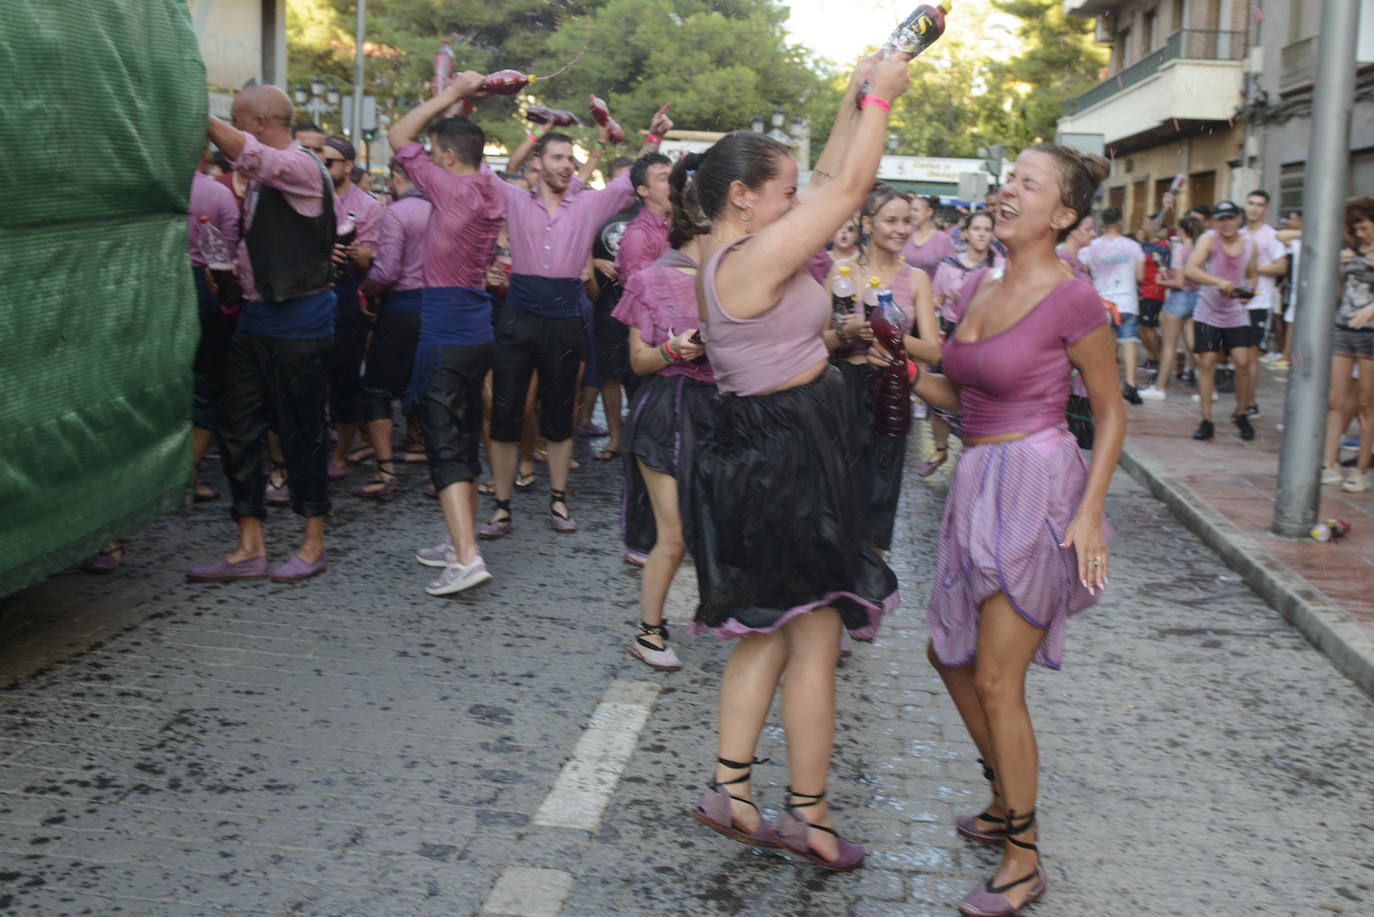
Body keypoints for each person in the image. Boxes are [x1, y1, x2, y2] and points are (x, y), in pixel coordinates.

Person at [872, 144, 1124, 916]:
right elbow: (961, 386)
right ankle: (1002, 798)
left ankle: (1023, 854)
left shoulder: (1073, 299)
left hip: (1037, 485)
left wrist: (1088, 513)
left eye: (1028, 183)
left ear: (1065, 214)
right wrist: (898, 362)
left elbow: (1112, 411)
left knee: (993, 676)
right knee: (948, 654)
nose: (1008, 190)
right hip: (975, 479)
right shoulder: (979, 281)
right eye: (1009, 177)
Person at [684, 54, 906, 873]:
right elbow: (845, 193)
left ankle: (735, 790)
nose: (795, 202)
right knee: (810, 638)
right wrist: (884, 98)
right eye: (779, 193)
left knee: (774, 634)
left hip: (779, 445)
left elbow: (821, 178)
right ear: (743, 197)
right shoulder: (750, 260)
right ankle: (802, 813)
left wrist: (855, 95)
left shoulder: (746, 248)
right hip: (785, 458)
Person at [479, 106, 673, 538]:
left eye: (571, 159)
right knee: (507, 415)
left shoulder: (588, 204)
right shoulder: (513, 198)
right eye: (557, 158)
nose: (566, 165)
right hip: (517, 318)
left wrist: (653, 136)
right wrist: (531, 130)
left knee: (560, 418)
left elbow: (630, 181)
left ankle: (559, 502)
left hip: (565, 319)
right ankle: (502, 507)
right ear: (539, 164)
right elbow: (476, 167)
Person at [190, 84, 341, 584]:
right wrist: (231, 273)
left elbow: (251, 157)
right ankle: (249, 546)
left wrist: (200, 114)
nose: (230, 130)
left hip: (300, 319)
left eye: (236, 121)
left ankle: (311, 543)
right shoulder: (257, 177)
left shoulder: (299, 165)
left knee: (302, 432)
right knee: (237, 430)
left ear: (255, 124)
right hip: (257, 316)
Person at [387, 73, 506, 595]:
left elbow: (398, 135)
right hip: (476, 329)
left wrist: (452, 93)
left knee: (443, 443)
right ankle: (459, 540)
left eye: (435, 157)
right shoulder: (490, 187)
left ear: (449, 159)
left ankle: (467, 556)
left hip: (445, 331)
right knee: (461, 435)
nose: (428, 164)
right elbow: (455, 144)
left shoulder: (450, 186)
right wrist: (464, 108)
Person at [613, 155, 712, 670]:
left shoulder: (736, 280)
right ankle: (649, 632)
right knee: (671, 533)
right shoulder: (651, 279)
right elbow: (637, 360)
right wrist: (677, 349)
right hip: (664, 413)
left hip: (720, 414)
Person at [822, 184, 935, 550]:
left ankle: (869, 591)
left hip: (890, 391)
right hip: (841, 392)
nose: (901, 229)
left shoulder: (917, 279)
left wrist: (892, 336)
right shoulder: (840, 272)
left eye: (907, 221)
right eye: (892, 221)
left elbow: (934, 352)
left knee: (880, 497)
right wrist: (845, 333)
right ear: (868, 223)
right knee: (836, 495)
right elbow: (815, 343)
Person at [352, 158, 431, 499]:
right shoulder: (447, 210)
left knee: (377, 391)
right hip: (440, 307)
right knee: (432, 388)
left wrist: (362, 291)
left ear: (396, 177)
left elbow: (385, 273)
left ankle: (385, 473)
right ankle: (442, 473)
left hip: (402, 308)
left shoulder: (399, 212)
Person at [593, 152, 673, 463]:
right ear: (642, 190)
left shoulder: (679, 222)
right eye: (664, 178)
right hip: (634, 320)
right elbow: (643, 292)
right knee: (623, 381)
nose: (674, 182)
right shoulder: (636, 232)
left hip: (666, 330)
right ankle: (622, 441)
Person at [321, 136, 385, 479]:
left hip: (348, 296)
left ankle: (341, 455)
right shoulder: (310, 198)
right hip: (311, 293)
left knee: (345, 378)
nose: (323, 167)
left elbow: (374, 255)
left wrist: (366, 255)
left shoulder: (368, 206)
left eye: (329, 161)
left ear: (347, 165)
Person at [925, 210, 1003, 474]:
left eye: (987, 229)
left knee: (979, 397)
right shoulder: (949, 265)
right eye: (977, 228)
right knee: (939, 391)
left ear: (993, 234)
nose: (981, 233)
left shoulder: (1000, 265)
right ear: (966, 233)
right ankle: (940, 448)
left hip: (988, 338)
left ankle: (976, 452)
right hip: (952, 334)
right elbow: (935, 299)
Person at [188, 141, 242, 503]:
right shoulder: (218, 195)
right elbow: (230, 252)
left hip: (155, 291)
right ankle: (189, 473)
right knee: (208, 381)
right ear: (205, 156)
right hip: (205, 287)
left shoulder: (157, 192)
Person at [1184, 200, 1259, 441]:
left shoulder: (1249, 244)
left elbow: (1253, 275)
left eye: (1230, 218)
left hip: (1235, 312)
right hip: (1208, 310)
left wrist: (1248, 292)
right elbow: (1190, 269)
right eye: (1221, 219)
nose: (1226, 224)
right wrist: (1218, 282)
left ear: (1239, 219)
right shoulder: (1208, 239)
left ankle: (1241, 413)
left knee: (1243, 363)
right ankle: (1206, 420)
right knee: (1207, 363)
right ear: (1214, 221)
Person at [1321, 197, 1374, 492]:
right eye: (1357, 228)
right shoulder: (1349, 253)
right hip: (1343, 330)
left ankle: (1361, 469)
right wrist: (1335, 267)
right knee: (1335, 400)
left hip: (1370, 335)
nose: (1361, 234)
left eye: (1365, 227)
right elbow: (1337, 293)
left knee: (1367, 404)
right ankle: (1329, 463)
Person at [1077, 206, 1145, 403]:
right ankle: (1130, 385)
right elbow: (1140, 276)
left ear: (1103, 224)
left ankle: (1104, 385)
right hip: (1127, 301)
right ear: (1120, 223)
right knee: (1128, 342)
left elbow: (1083, 272)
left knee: (1105, 346)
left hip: (1101, 303)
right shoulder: (1133, 246)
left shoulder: (1090, 248)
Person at [1141, 214, 1203, 399]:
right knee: (1194, 346)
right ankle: (1208, 386)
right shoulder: (1201, 250)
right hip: (1197, 297)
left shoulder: (1181, 251)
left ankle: (1159, 388)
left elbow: (1178, 282)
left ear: (1182, 231)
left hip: (1179, 299)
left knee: (1169, 346)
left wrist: (1161, 280)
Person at [1239, 189, 1289, 416]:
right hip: (1236, 303)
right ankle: (1242, 402)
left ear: (1266, 209)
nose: (1254, 208)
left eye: (1259, 204)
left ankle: (1250, 403)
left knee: (1251, 357)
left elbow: (1281, 267)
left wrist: (1253, 269)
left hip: (1259, 303)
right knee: (1237, 358)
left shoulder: (1271, 235)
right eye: (1250, 203)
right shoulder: (1238, 234)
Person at [1136, 214, 1170, 390]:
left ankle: (1160, 361)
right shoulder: (1144, 245)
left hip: (1155, 291)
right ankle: (1154, 358)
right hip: (1143, 291)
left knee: (1146, 326)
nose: (1143, 226)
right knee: (1141, 328)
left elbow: (1166, 271)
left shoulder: (1163, 247)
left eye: (1145, 224)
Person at [901, 193, 956, 278]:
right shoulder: (905, 234)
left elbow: (951, 271)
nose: (911, 213)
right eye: (910, 210)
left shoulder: (942, 239)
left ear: (929, 212)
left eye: (915, 210)